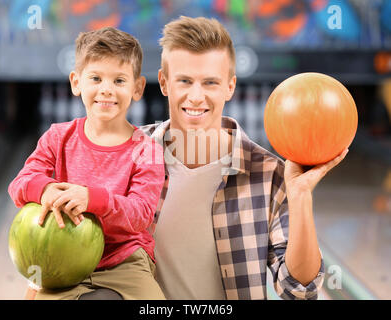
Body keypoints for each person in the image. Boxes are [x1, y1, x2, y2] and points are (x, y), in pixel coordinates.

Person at [140, 16, 348, 300]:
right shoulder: (127, 154)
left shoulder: (271, 174)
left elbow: (299, 290)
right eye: (185, 81)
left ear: (230, 86)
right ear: (164, 83)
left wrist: (300, 196)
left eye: (210, 82)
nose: (196, 96)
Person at [8, 27, 166, 300]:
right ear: (76, 82)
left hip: (124, 260)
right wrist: (44, 189)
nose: (106, 89)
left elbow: (141, 214)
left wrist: (92, 199)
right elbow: (19, 185)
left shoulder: (147, 149)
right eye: (96, 78)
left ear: (138, 88)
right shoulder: (57, 137)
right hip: (61, 258)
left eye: (119, 80)